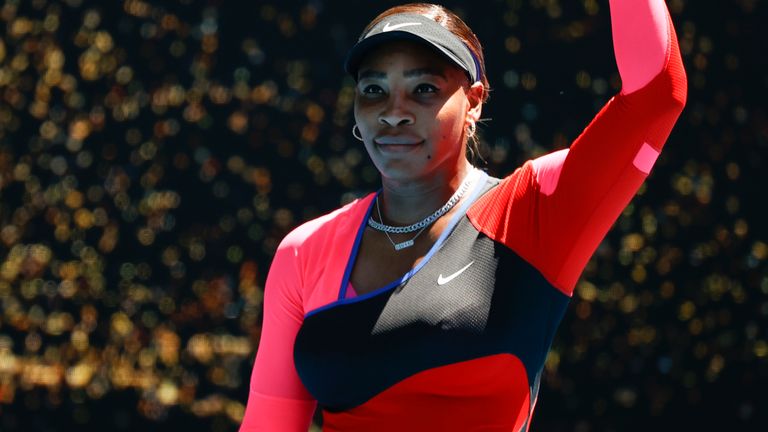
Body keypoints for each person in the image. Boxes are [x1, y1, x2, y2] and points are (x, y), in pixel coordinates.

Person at [240, 0, 687, 430]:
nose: (394, 114)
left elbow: (656, 95)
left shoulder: (532, 211)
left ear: (474, 101)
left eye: (424, 89)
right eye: (374, 90)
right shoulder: (304, 251)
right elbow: (267, 426)